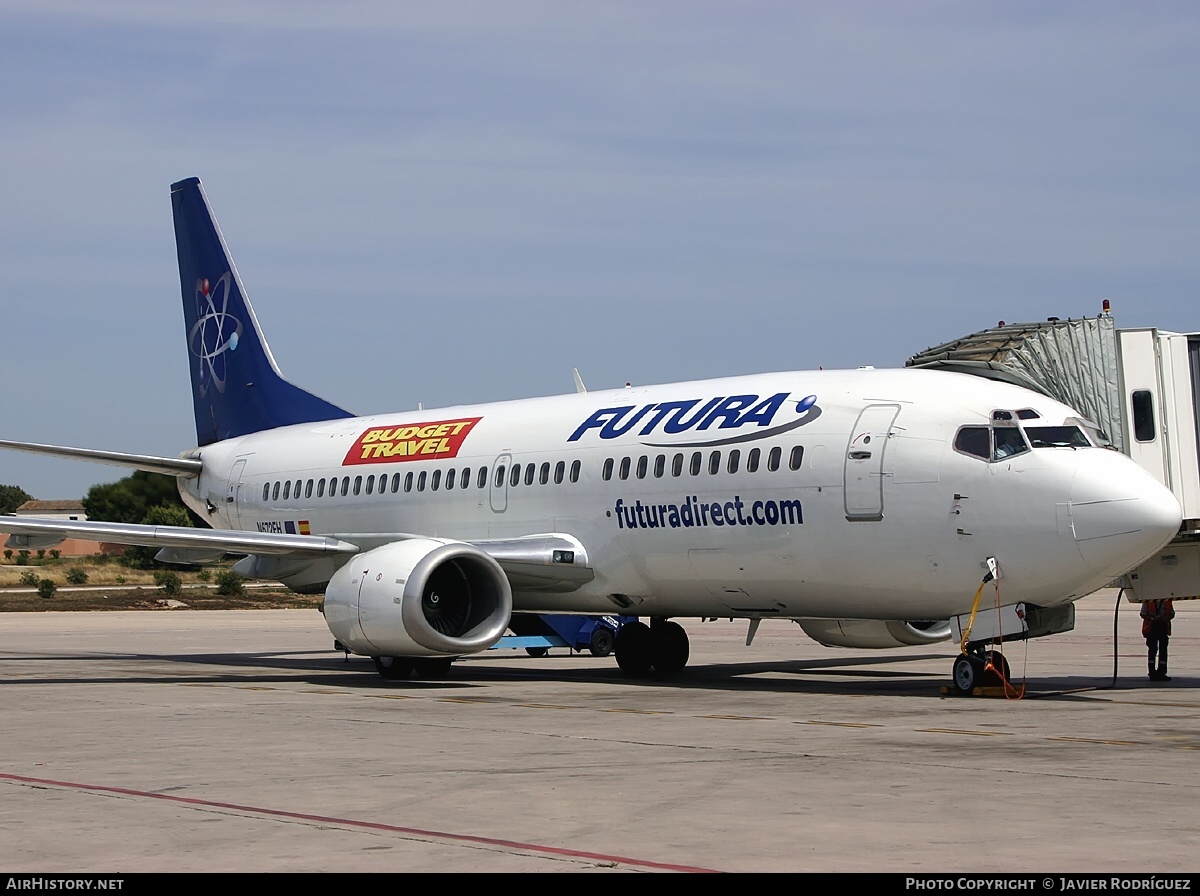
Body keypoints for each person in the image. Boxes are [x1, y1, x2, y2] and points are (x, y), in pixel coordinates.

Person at [1140, 598, 1176, 682]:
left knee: (1163, 649)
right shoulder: (1148, 602)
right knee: (1153, 649)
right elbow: (1142, 614)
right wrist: (1152, 618)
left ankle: (1162, 672)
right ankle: (1152, 672)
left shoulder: (1167, 601)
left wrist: (1165, 618)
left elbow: (1172, 613)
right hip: (1152, 627)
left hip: (1163, 626)